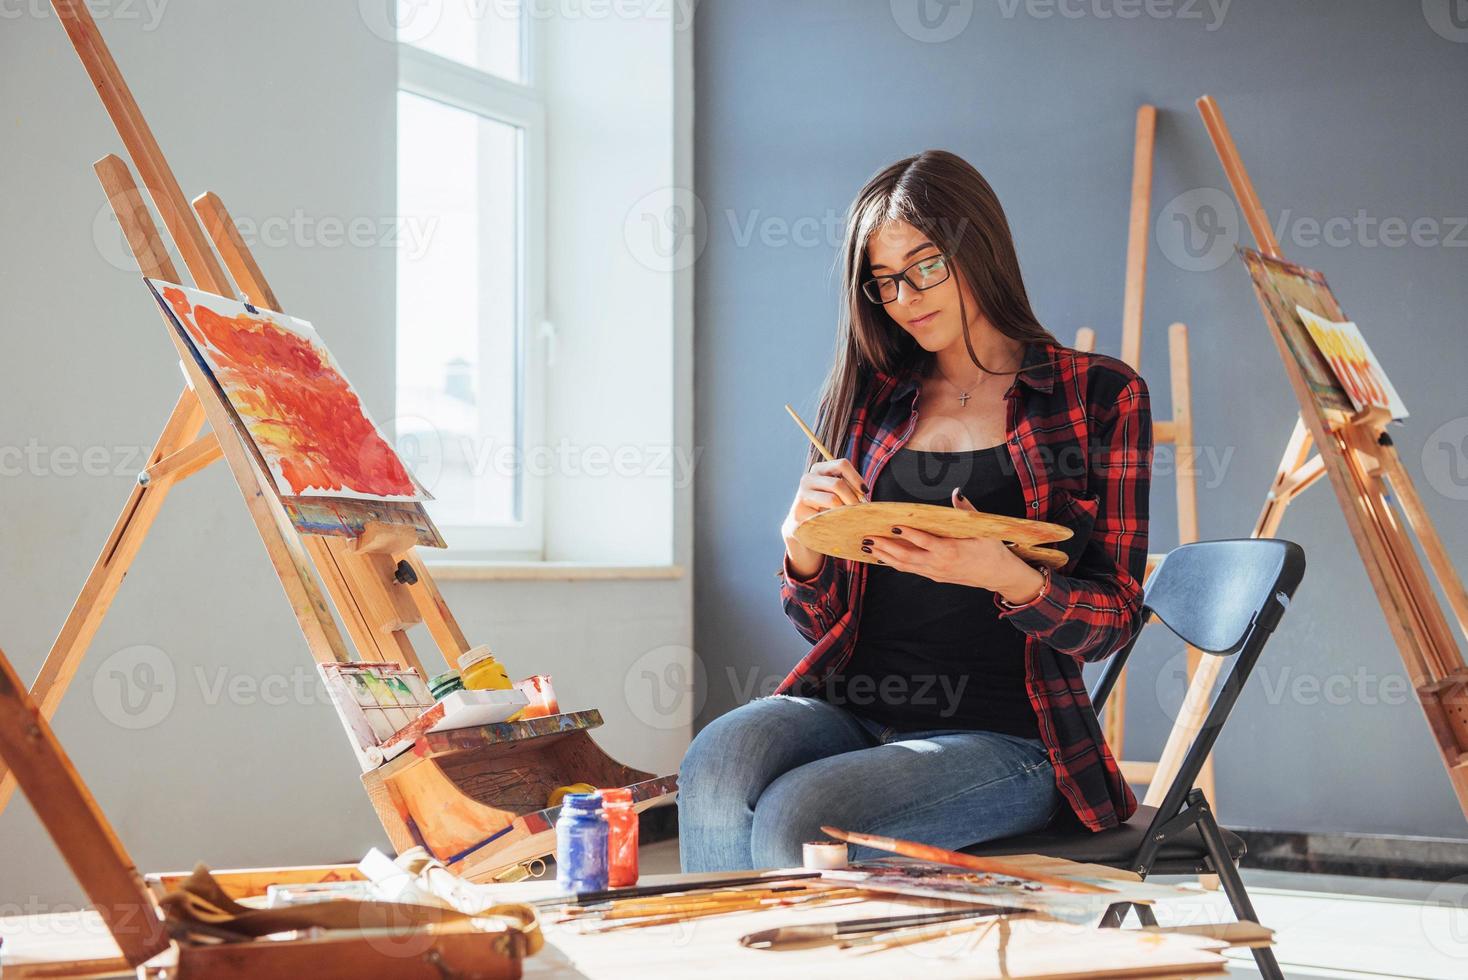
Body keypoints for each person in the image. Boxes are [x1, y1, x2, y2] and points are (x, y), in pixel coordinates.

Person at [678, 149, 1153, 871]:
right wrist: (801, 548)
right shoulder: (870, 399)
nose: (906, 298)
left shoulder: (1100, 396)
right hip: (853, 709)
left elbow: (1113, 622)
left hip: (1010, 739)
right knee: (716, 760)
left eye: (926, 265)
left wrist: (1006, 576)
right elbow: (818, 621)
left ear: (979, 248)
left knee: (803, 815)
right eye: (885, 282)